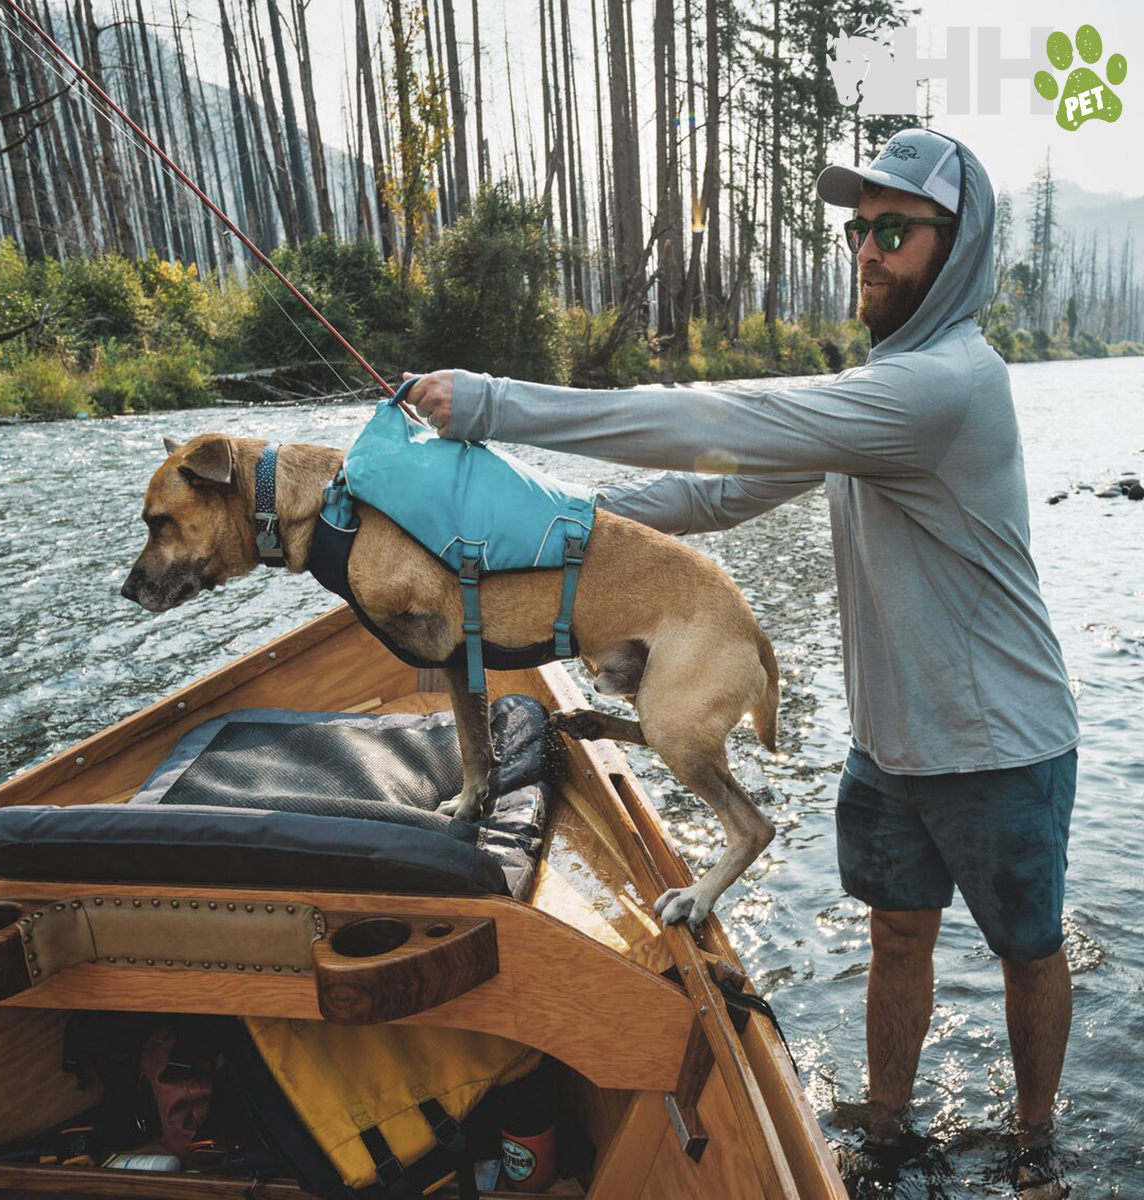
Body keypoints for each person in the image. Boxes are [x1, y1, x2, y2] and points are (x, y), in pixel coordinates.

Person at [405, 127, 1078, 1187]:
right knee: (898, 934)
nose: (868, 248)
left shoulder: (942, 385)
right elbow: (717, 491)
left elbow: (723, 420)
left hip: (1001, 743)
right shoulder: (883, 389)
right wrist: (547, 531)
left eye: (896, 229)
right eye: (860, 228)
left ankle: (1036, 1143)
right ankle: (888, 1132)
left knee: (1026, 951)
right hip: (894, 739)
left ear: (960, 248)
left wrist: (494, 405)